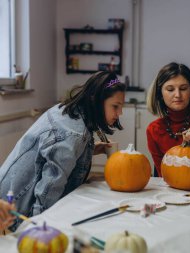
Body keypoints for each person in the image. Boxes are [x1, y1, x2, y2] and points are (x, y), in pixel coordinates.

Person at [0, 71, 126, 229]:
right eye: (115, 106)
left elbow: (56, 153)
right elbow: (49, 188)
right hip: (14, 207)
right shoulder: (72, 134)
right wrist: (38, 227)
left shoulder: (71, 111)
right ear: (96, 101)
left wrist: (91, 149)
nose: (120, 113)